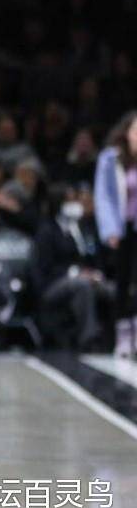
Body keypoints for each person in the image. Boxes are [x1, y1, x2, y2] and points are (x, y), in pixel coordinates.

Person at [35, 185, 110, 350]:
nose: (75, 204)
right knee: (81, 285)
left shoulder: (81, 228)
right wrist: (76, 273)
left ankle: (117, 337)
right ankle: (89, 339)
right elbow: (44, 268)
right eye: (70, 200)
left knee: (110, 289)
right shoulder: (47, 231)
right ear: (58, 204)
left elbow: (91, 256)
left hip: (80, 279)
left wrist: (94, 273)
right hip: (52, 284)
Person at [94, 110, 137, 357]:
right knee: (123, 283)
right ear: (127, 133)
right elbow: (103, 197)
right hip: (121, 229)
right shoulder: (110, 159)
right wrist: (110, 229)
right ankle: (122, 335)